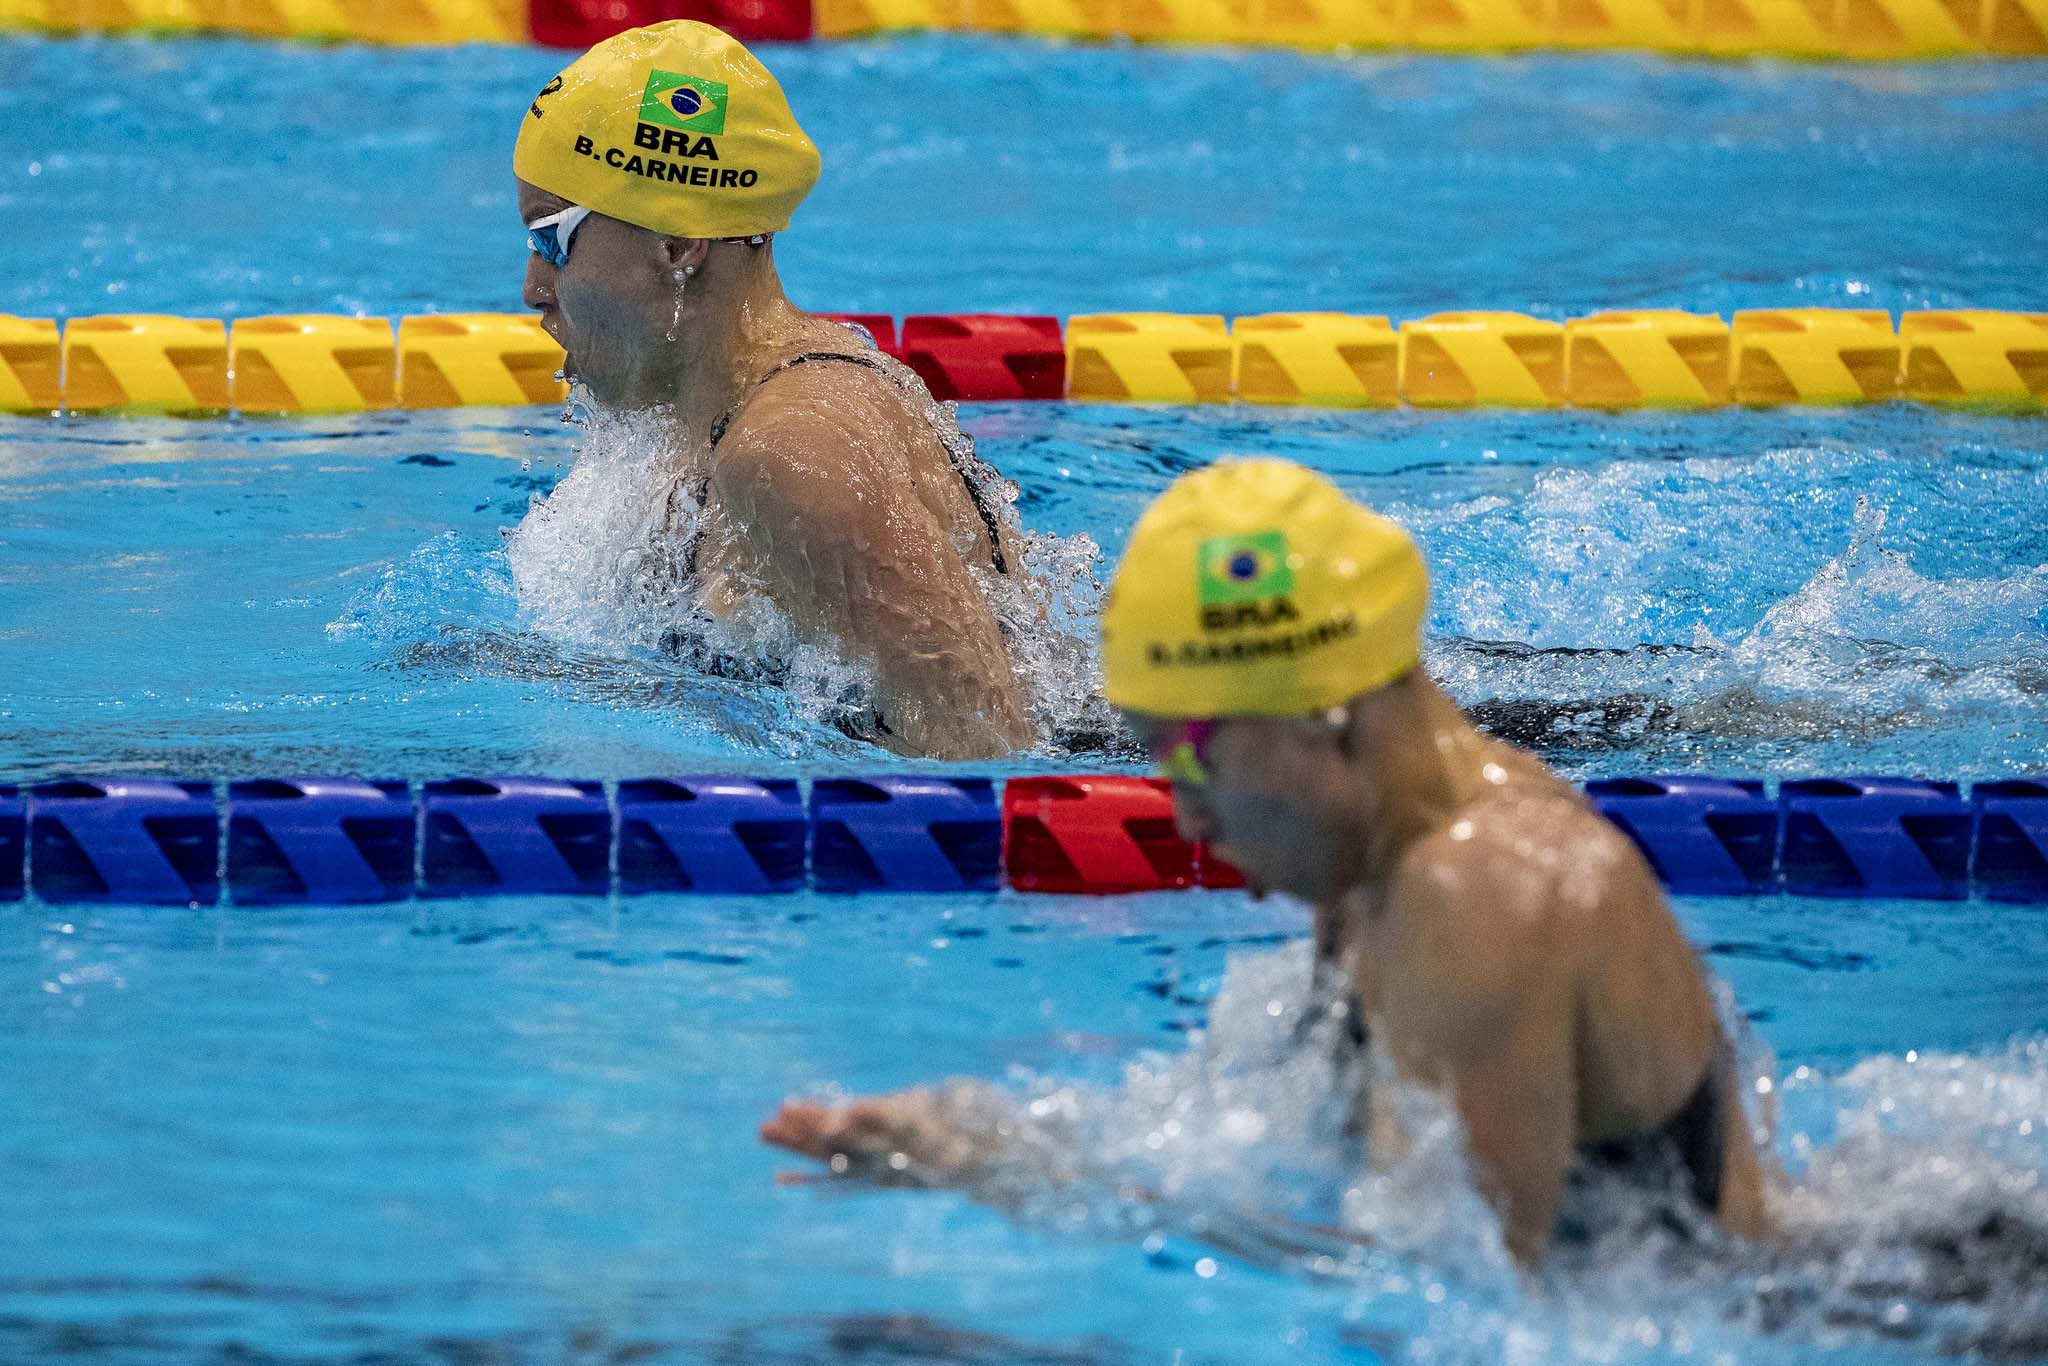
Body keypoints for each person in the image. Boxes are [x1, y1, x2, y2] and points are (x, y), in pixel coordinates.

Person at [762, 459, 1770, 1267]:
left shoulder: (1476, 895)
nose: (1185, 816)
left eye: (1190, 761)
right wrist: (1009, 1147)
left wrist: (1016, 1177)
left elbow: (1445, 1303)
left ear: (1315, 713)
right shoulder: (1387, 846)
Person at [514, 21, 1033, 760]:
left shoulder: (791, 451)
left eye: (550, 241)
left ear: (678, 245)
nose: (534, 289)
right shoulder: (724, 416)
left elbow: (984, 758)